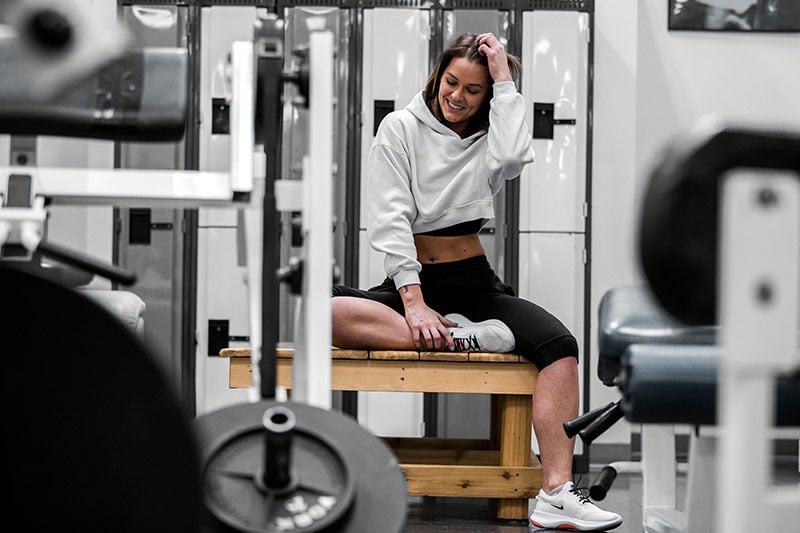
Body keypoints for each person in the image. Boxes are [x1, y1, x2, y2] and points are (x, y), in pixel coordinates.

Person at [331, 32, 622, 531]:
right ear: (436, 77)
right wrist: (415, 302)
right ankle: (463, 336)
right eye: (451, 82)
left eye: (474, 89)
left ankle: (556, 493)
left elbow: (512, 159)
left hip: (474, 284)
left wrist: (506, 82)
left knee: (560, 345)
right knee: (323, 312)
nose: (458, 96)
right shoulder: (399, 128)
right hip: (414, 285)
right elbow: (389, 220)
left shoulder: (491, 135)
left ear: (487, 96)